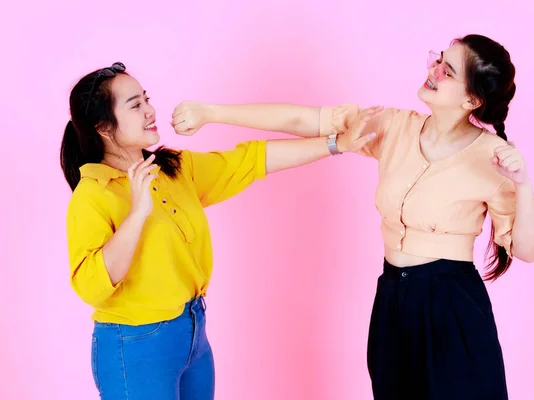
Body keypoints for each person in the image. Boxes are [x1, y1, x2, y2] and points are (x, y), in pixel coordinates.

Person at [170, 34, 534, 399]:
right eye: (438, 59)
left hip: (452, 305)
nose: (434, 69)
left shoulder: (494, 158)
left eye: (448, 70)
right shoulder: (395, 126)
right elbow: (307, 120)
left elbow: (527, 250)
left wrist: (523, 185)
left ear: (471, 99)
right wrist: (212, 113)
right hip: (394, 297)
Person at [60, 61, 380, 400]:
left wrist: (337, 143)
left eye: (146, 98)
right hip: (135, 345)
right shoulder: (92, 195)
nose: (150, 110)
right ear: (104, 128)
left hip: (192, 332)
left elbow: (251, 160)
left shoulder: (172, 169)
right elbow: (93, 287)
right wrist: (137, 213)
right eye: (135, 105)